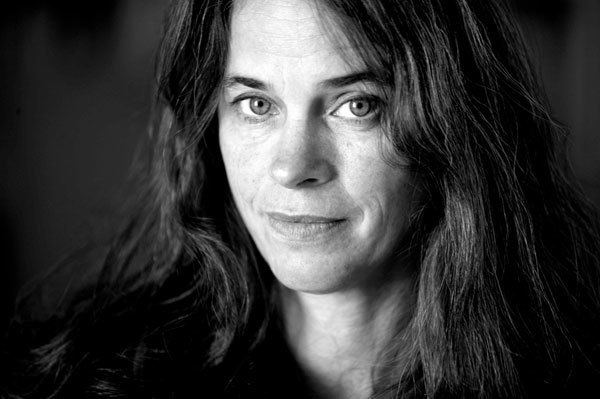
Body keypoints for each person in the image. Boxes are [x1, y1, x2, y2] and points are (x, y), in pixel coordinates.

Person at [2, 0, 600, 398]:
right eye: (257, 105)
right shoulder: (95, 381)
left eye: (356, 105)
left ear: (451, 126)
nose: (293, 168)